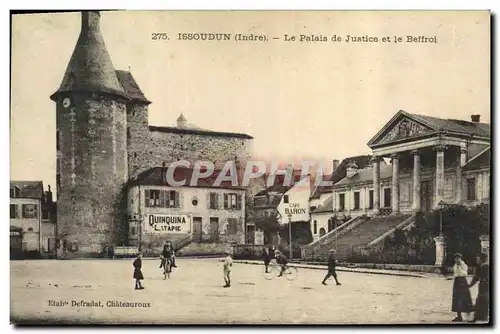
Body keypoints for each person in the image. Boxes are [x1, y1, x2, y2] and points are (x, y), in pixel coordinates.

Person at [450, 253, 473, 322]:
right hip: (457, 282)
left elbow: (464, 274)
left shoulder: (463, 265)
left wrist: (459, 267)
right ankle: (459, 316)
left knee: (464, 298)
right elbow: (455, 274)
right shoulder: (455, 265)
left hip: (462, 281)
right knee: (456, 298)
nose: (457, 259)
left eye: (458, 258)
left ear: (460, 258)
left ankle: (468, 314)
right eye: (456, 258)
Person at [469, 253, 489, 323]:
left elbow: (476, 278)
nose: (477, 260)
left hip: (486, 287)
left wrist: (470, 285)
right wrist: (470, 285)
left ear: (482, 259)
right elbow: (476, 278)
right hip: (482, 287)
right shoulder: (481, 267)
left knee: (481, 301)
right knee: (482, 301)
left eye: (478, 259)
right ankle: (480, 317)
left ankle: (478, 317)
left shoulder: (485, 267)